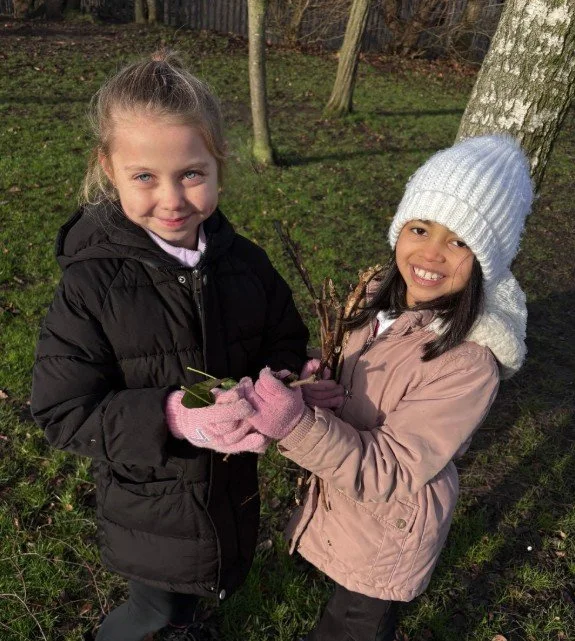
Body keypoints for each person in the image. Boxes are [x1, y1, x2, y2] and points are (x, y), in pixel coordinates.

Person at [30, 51, 308, 641]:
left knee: (192, 600)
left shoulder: (247, 264)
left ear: (219, 161)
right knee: (153, 612)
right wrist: (174, 417)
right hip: (150, 506)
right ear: (108, 168)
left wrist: (283, 382)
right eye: (144, 177)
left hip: (228, 491)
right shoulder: (91, 285)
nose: (172, 198)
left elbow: (285, 338)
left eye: (191, 174)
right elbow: (62, 411)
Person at [221, 134, 533, 640]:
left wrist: (297, 425)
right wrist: (319, 381)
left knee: (354, 624)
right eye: (420, 228)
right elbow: (355, 367)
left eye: (459, 241)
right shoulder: (375, 295)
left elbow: (391, 469)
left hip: (389, 530)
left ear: (486, 259)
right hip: (344, 498)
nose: (431, 253)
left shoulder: (469, 364)